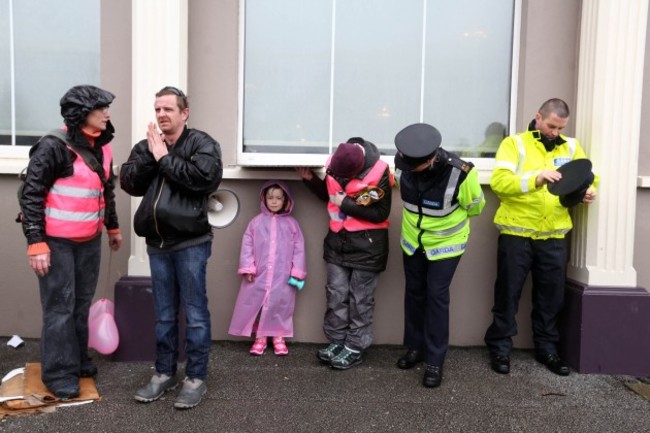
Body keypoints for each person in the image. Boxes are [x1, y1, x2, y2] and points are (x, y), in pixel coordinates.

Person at [120, 86, 223, 409]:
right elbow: (130, 182)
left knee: (194, 314)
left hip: (191, 243)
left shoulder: (202, 144)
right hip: (158, 244)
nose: (162, 115)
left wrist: (165, 158)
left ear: (184, 113)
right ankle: (164, 374)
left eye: (168, 109)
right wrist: (154, 157)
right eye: (157, 110)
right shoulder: (147, 146)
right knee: (164, 315)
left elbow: (204, 179)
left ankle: (195, 378)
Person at [19, 85, 122, 399]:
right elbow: (31, 196)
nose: (107, 113)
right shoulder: (53, 146)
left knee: (79, 305)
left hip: (88, 241)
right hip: (56, 243)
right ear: (81, 113)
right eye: (101, 108)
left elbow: (106, 190)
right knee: (59, 308)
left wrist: (112, 228)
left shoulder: (102, 147)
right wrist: (36, 243)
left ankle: (77, 360)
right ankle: (59, 373)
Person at [484, 98, 598, 376]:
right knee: (508, 294)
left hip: (554, 236)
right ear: (538, 117)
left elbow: (588, 176)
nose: (555, 133)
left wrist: (588, 191)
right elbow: (499, 182)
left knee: (551, 298)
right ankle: (500, 348)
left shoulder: (571, 146)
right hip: (516, 233)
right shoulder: (515, 144)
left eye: (560, 128)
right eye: (551, 126)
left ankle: (547, 349)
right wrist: (536, 179)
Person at [393, 123, 485, 388]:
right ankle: (415, 347)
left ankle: (435, 360)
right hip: (412, 242)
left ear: (431, 159)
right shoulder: (403, 165)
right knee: (414, 293)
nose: (408, 171)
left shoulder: (461, 174)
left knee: (436, 297)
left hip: (446, 245)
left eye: (415, 167)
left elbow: (476, 207)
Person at [296, 137, 392, 369]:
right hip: (337, 242)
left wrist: (345, 203)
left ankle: (355, 347)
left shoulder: (379, 171)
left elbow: (381, 213)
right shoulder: (336, 163)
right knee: (336, 294)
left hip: (368, 247)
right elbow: (330, 196)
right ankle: (337, 341)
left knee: (361, 300)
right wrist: (311, 180)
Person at [228, 180, 307, 356]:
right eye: (270, 197)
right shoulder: (256, 223)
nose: (274, 201)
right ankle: (260, 338)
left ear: (286, 201)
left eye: (278, 198)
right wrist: (248, 267)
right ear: (264, 199)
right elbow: (247, 245)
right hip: (260, 274)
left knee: (281, 305)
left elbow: (299, 249)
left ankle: (279, 337)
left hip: (282, 275)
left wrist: (297, 272)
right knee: (259, 304)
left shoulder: (292, 224)